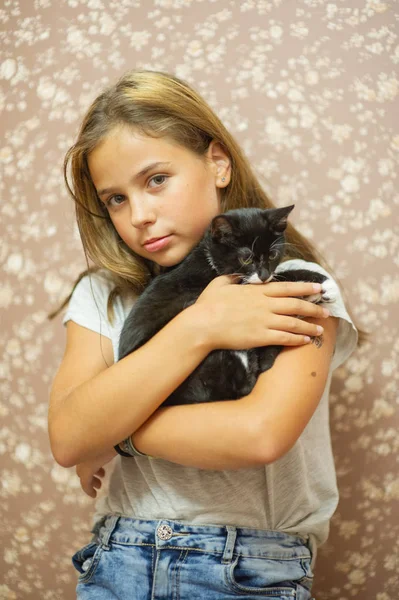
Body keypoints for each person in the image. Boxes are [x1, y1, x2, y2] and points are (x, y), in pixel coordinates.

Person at [48, 69, 366, 599]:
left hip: (248, 569)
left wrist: (117, 432)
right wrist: (199, 326)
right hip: (117, 558)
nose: (140, 216)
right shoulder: (105, 293)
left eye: (155, 180)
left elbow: (259, 434)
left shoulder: (294, 284)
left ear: (217, 163)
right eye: (115, 200)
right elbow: (67, 438)